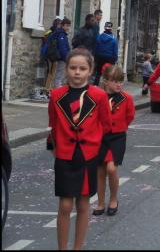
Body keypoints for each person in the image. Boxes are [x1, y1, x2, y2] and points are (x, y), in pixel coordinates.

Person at [47, 48, 111, 250]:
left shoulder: (99, 96)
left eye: (82, 68)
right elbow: (53, 123)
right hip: (65, 156)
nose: (77, 72)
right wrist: (55, 148)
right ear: (66, 69)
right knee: (65, 205)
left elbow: (106, 125)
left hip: (88, 156)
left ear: (90, 71)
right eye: (73, 67)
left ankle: (77, 247)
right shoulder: (56, 95)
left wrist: (100, 152)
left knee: (83, 205)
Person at [93, 64, 135, 217]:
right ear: (105, 81)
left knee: (111, 168)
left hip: (117, 137)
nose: (119, 84)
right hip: (100, 137)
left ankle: (113, 199)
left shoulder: (126, 98)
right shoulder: (98, 97)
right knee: (100, 171)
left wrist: (119, 127)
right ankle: (100, 202)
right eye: (115, 81)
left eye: (121, 81)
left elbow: (129, 116)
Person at [48, 18, 72, 88]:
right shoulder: (61, 34)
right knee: (60, 72)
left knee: (60, 72)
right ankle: (57, 86)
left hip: (61, 56)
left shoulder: (61, 33)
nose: (68, 27)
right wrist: (66, 57)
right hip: (62, 57)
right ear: (62, 25)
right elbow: (62, 47)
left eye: (69, 26)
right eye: (66, 25)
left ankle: (57, 85)